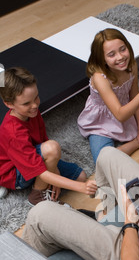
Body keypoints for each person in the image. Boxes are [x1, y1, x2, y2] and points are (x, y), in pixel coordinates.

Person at [0, 67, 97, 205]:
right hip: (14, 174)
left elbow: (43, 142)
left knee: (80, 176)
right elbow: (41, 167)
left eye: (36, 98)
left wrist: (55, 176)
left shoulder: (32, 112)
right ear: (9, 104)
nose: (34, 105)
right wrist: (81, 188)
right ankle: (36, 196)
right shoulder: (13, 132)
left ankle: (47, 184)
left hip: (32, 156)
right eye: (26, 103)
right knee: (52, 148)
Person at [77, 28, 139, 163]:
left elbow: (134, 97)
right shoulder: (100, 78)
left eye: (122, 49)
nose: (120, 57)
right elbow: (120, 115)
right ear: (102, 59)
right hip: (102, 121)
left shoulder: (131, 65)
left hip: (128, 109)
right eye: (111, 54)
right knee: (103, 160)